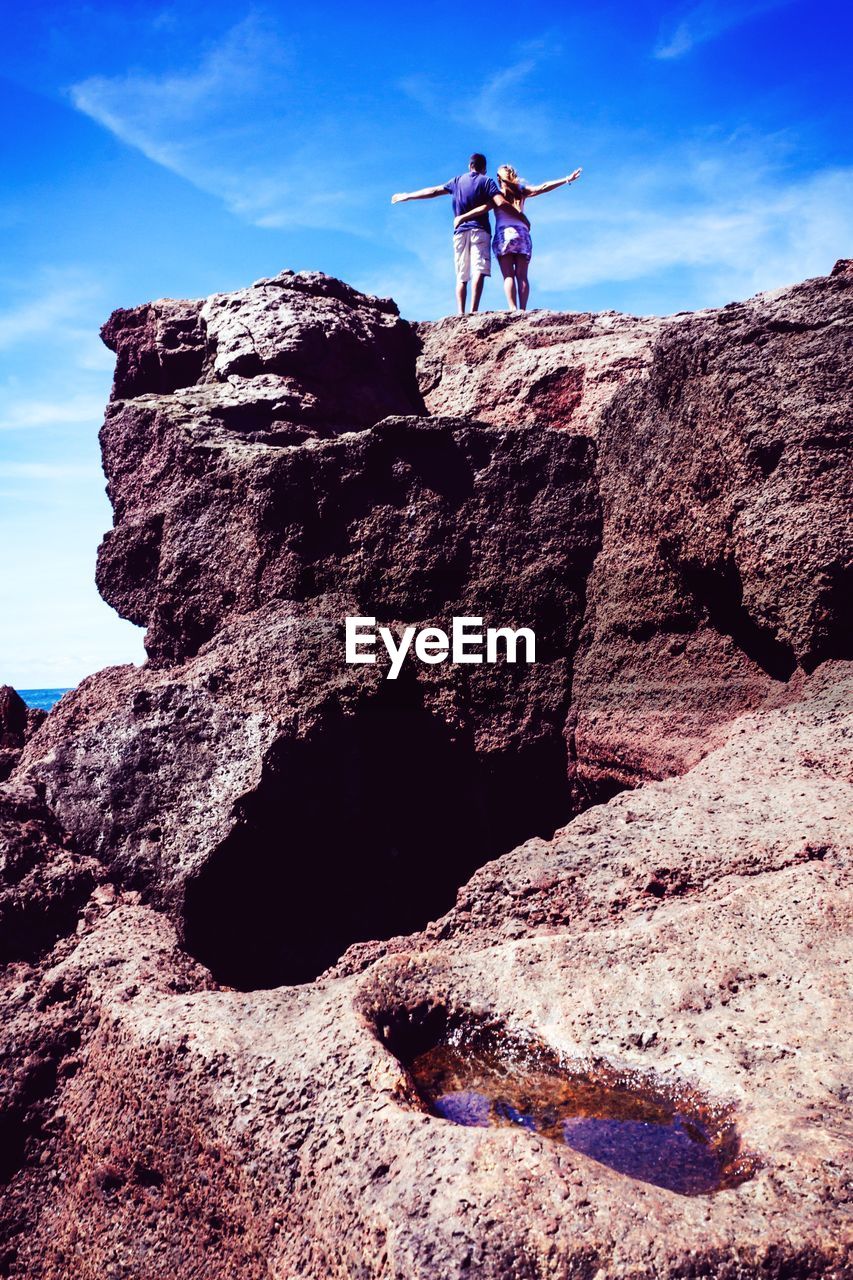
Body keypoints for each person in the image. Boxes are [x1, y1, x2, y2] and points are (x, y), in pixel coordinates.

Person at [391, 154, 521, 314]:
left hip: (459, 232)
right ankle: (473, 311)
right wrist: (521, 216)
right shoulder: (487, 181)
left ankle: (460, 312)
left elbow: (433, 191)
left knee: (461, 275)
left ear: (469, 166)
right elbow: (500, 202)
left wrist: (408, 196)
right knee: (478, 270)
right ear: (484, 168)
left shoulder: (457, 181)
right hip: (480, 230)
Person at [457, 164, 582, 310]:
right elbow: (543, 187)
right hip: (522, 234)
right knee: (522, 276)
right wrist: (566, 179)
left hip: (504, 235)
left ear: (499, 178)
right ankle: (522, 309)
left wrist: (463, 217)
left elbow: (483, 209)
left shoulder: (497, 195)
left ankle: (513, 309)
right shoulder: (521, 191)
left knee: (508, 276)